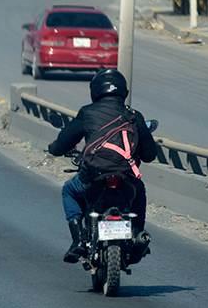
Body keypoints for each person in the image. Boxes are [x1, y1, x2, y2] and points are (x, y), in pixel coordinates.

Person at [47, 69, 157, 264]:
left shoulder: (87, 113)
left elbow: (62, 144)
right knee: (139, 191)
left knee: (69, 190)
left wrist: (54, 148)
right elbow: (150, 155)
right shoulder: (133, 116)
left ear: (95, 90)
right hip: (125, 177)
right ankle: (138, 234)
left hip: (93, 176)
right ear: (123, 91)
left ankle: (78, 240)